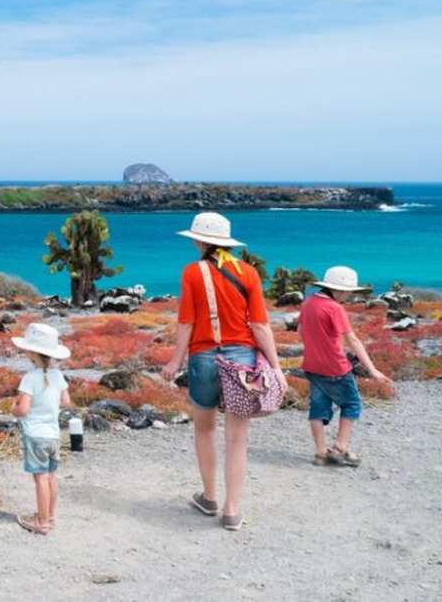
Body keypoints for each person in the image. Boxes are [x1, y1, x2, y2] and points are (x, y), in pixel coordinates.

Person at [161, 212, 286, 531]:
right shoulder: (248, 272)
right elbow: (259, 325)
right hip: (243, 360)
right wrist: (276, 367)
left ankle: (209, 497)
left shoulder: (191, 273)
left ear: (200, 240)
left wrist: (175, 361)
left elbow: (186, 322)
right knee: (237, 440)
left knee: (204, 430)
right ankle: (231, 510)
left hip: (203, 358)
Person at [299, 266, 394, 467]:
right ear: (339, 290)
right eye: (349, 291)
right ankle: (340, 448)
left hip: (312, 365)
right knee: (351, 404)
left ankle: (320, 454)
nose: (350, 295)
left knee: (317, 408)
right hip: (335, 367)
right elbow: (353, 340)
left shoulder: (308, 303)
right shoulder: (334, 308)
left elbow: (302, 332)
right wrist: (372, 370)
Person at [11, 322, 72, 535]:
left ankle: (42, 522)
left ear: (31, 353)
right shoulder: (57, 375)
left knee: (40, 478)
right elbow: (66, 401)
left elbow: (23, 409)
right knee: (51, 476)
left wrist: (14, 408)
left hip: (35, 435)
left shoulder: (29, 378)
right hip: (53, 434)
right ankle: (51, 516)